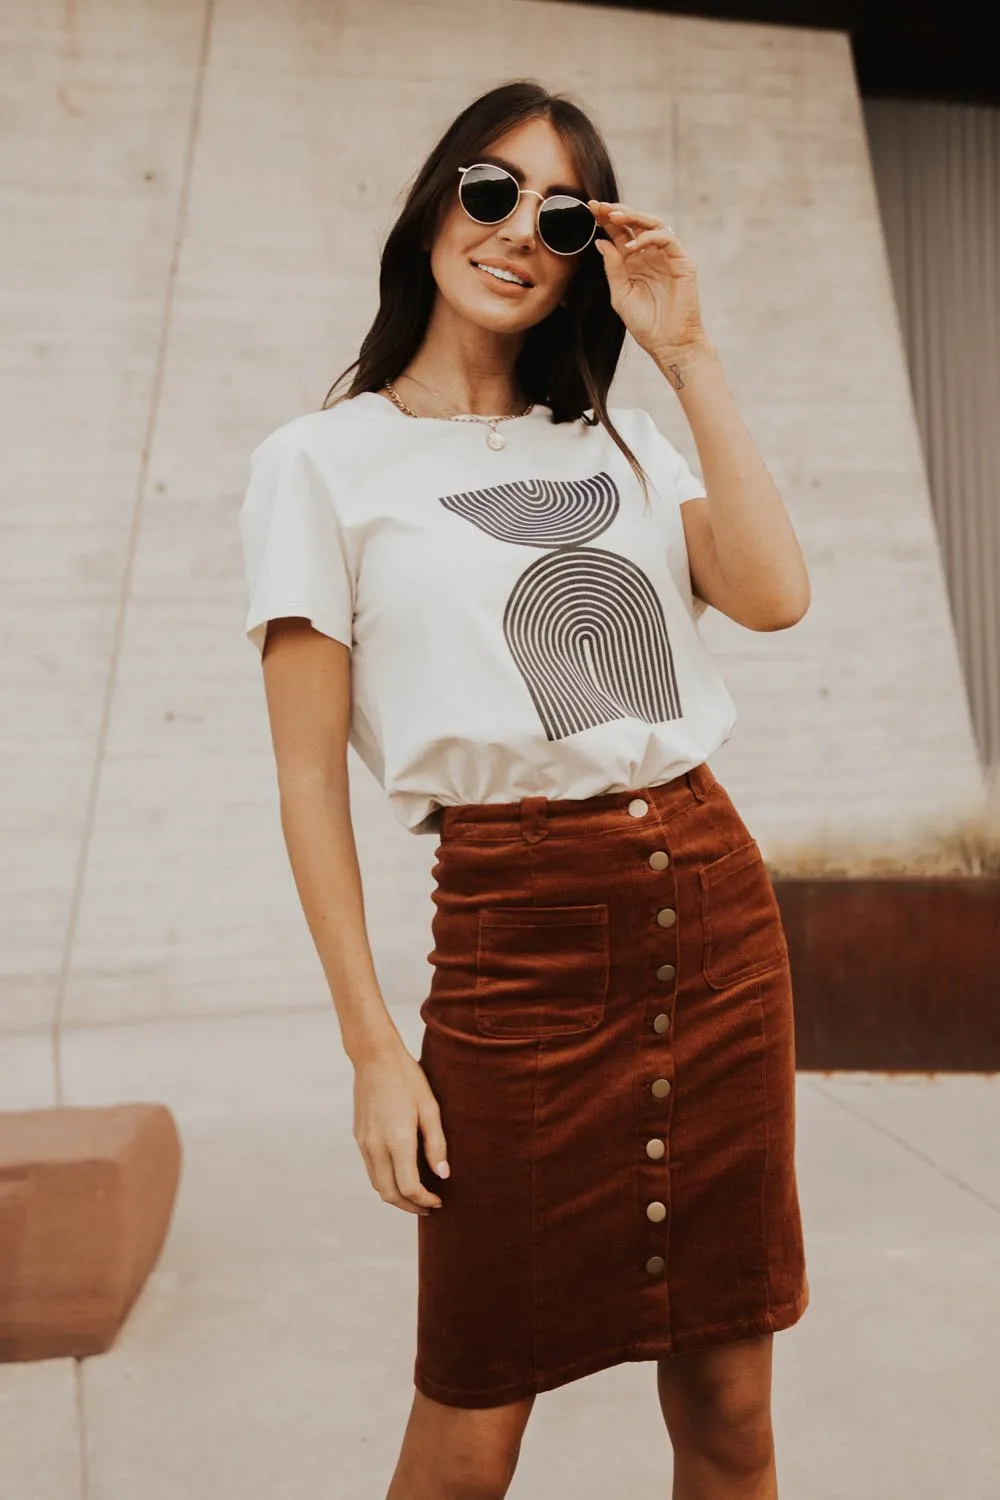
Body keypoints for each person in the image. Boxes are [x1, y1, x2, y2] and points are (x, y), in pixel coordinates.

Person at [239, 78, 811, 1500]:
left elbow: (775, 594)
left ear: (584, 259)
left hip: (716, 914)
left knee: (733, 1407)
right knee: (471, 1433)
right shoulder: (321, 462)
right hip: (516, 945)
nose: (515, 234)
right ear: (437, 202)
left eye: (559, 217)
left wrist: (686, 355)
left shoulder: (615, 441)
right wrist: (376, 1050)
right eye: (489, 192)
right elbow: (309, 786)